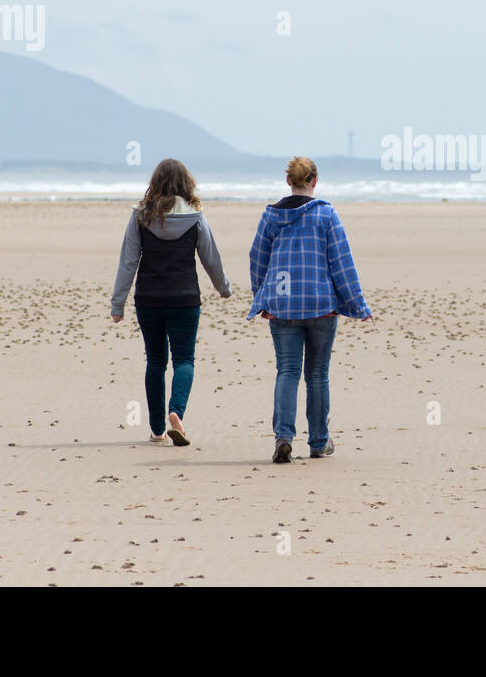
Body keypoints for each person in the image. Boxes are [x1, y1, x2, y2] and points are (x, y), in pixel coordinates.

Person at [248, 157, 371, 464]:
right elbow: (341, 262)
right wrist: (357, 304)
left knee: (287, 371)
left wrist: (262, 295)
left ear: (288, 181)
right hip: (320, 306)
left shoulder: (271, 216)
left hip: (283, 305)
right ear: (314, 181)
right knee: (317, 375)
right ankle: (318, 442)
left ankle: (283, 437)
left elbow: (257, 258)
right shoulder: (326, 214)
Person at [111, 158, 231, 446]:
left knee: (155, 361)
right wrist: (223, 288)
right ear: (185, 183)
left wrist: (118, 303)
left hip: (148, 298)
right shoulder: (195, 216)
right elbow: (210, 257)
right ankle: (176, 412)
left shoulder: (140, 215)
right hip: (184, 298)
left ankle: (156, 429)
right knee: (184, 360)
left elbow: (128, 261)